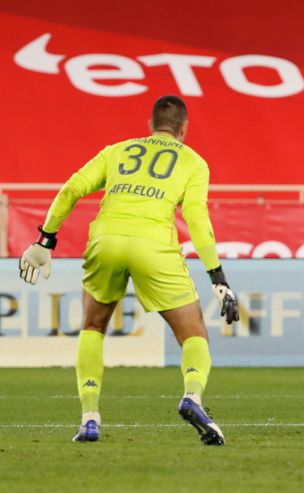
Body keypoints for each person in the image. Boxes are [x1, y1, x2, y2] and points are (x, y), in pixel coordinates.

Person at [18, 95, 239, 445]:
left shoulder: (117, 150)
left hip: (106, 238)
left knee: (93, 326)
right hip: (154, 244)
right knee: (193, 333)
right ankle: (192, 396)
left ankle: (90, 417)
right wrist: (217, 277)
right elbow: (196, 216)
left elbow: (72, 188)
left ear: (150, 126)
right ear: (184, 129)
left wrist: (45, 240)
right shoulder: (194, 162)